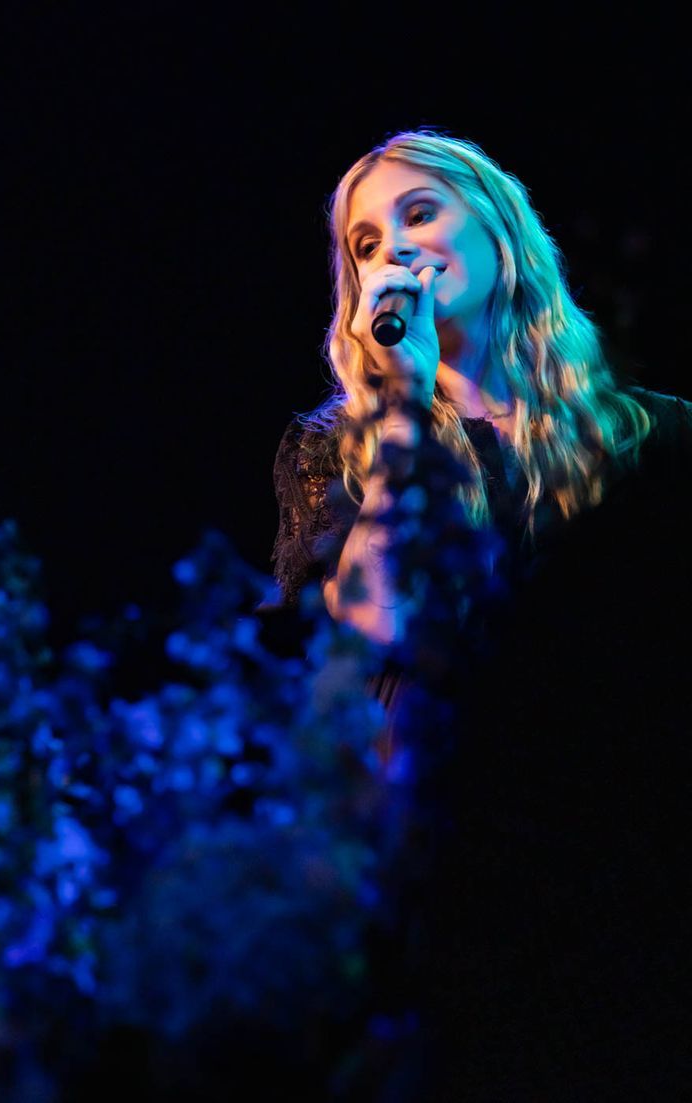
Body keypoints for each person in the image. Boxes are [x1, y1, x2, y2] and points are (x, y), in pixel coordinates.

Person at [263, 129, 692, 1098]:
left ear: (501, 233)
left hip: (633, 869)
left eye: (419, 213)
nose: (395, 252)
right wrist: (403, 411)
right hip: (436, 883)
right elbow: (367, 639)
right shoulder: (333, 459)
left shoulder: (658, 439)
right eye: (365, 244)